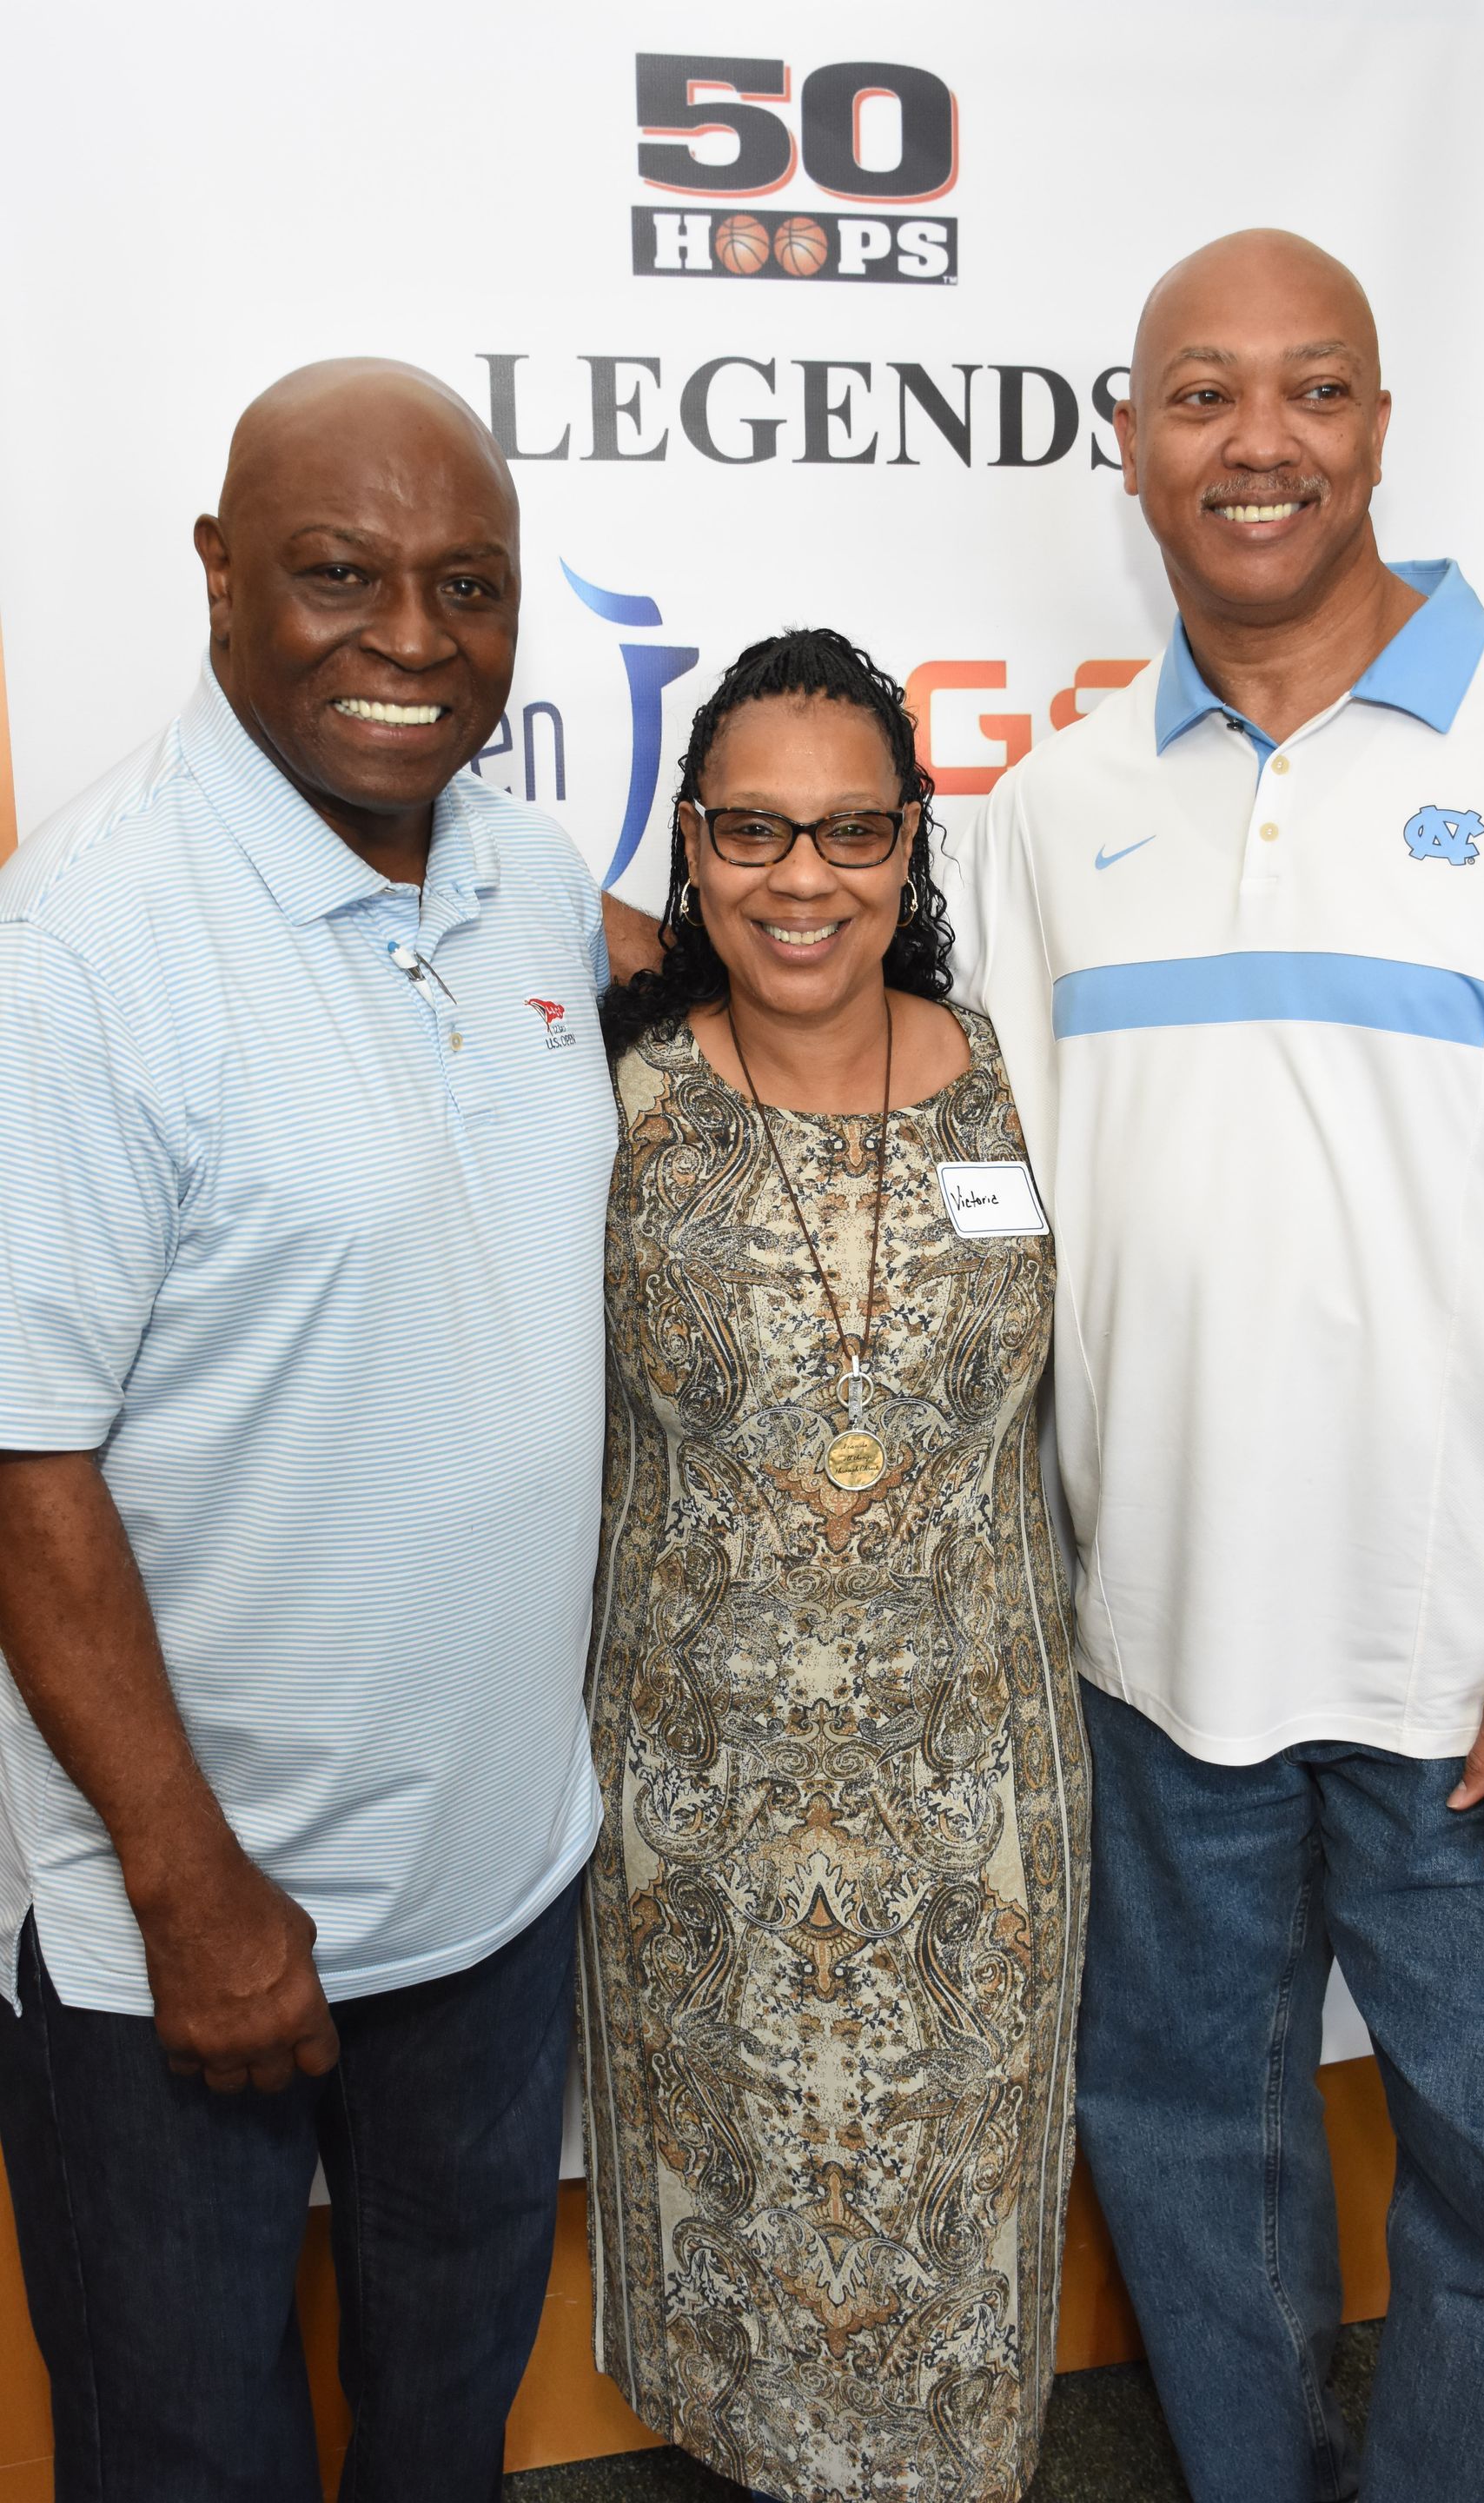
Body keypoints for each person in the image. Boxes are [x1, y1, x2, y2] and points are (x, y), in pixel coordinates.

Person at [946, 229, 1484, 2502]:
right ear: (1130, 450)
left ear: (1378, 425)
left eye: (1315, 391)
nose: (1259, 443)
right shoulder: (1054, 813)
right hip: (1150, 1657)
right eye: (1202, 398)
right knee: (1177, 2143)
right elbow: (999, 1190)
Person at [0, 360, 619, 2500]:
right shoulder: (79, 949)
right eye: (341, 576)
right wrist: (194, 1895)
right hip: (191, 1929)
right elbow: (23, 1472)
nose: (414, 640)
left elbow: (740, 962)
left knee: (444, 2432)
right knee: (190, 2459)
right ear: (217, 575)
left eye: (470, 585)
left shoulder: (529, 880)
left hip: (496, 1892)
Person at [580, 627, 1089, 2503]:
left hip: (981, 1802)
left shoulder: (1016, 1072)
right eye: (754, 834)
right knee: (750, 2255)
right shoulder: (609, 1097)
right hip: (700, 1804)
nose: (804, 880)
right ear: (691, 850)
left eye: (853, 834)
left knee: (952, 2258)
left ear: (913, 848)